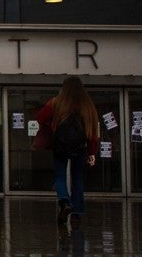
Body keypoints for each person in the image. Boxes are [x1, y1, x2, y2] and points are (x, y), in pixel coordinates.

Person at [36, 75, 100, 224]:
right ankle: (77, 212)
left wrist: (53, 124)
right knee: (77, 178)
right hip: (80, 147)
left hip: (61, 145)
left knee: (60, 175)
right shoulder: (88, 105)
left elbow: (40, 117)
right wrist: (92, 152)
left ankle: (64, 201)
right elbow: (93, 132)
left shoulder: (57, 102)